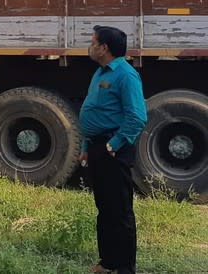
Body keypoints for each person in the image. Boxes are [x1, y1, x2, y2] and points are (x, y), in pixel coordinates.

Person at [79, 25, 147, 274]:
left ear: (104, 47)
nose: (91, 45)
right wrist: (87, 145)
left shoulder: (126, 75)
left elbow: (137, 117)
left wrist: (112, 144)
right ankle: (108, 262)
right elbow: (94, 111)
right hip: (97, 148)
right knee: (105, 209)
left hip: (113, 151)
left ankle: (125, 268)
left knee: (120, 212)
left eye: (93, 41)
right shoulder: (100, 73)